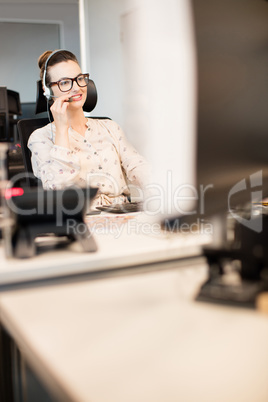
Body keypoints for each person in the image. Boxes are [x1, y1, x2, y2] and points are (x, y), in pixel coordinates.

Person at [28, 49, 151, 208]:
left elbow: (137, 166)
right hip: (79, 218)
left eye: (80, 78)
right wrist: (62, 129)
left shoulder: (109, 127)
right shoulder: (40, 137)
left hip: (122, 212)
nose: (76, 88)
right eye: (65, 82)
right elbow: (58, 191)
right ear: (47, 90)